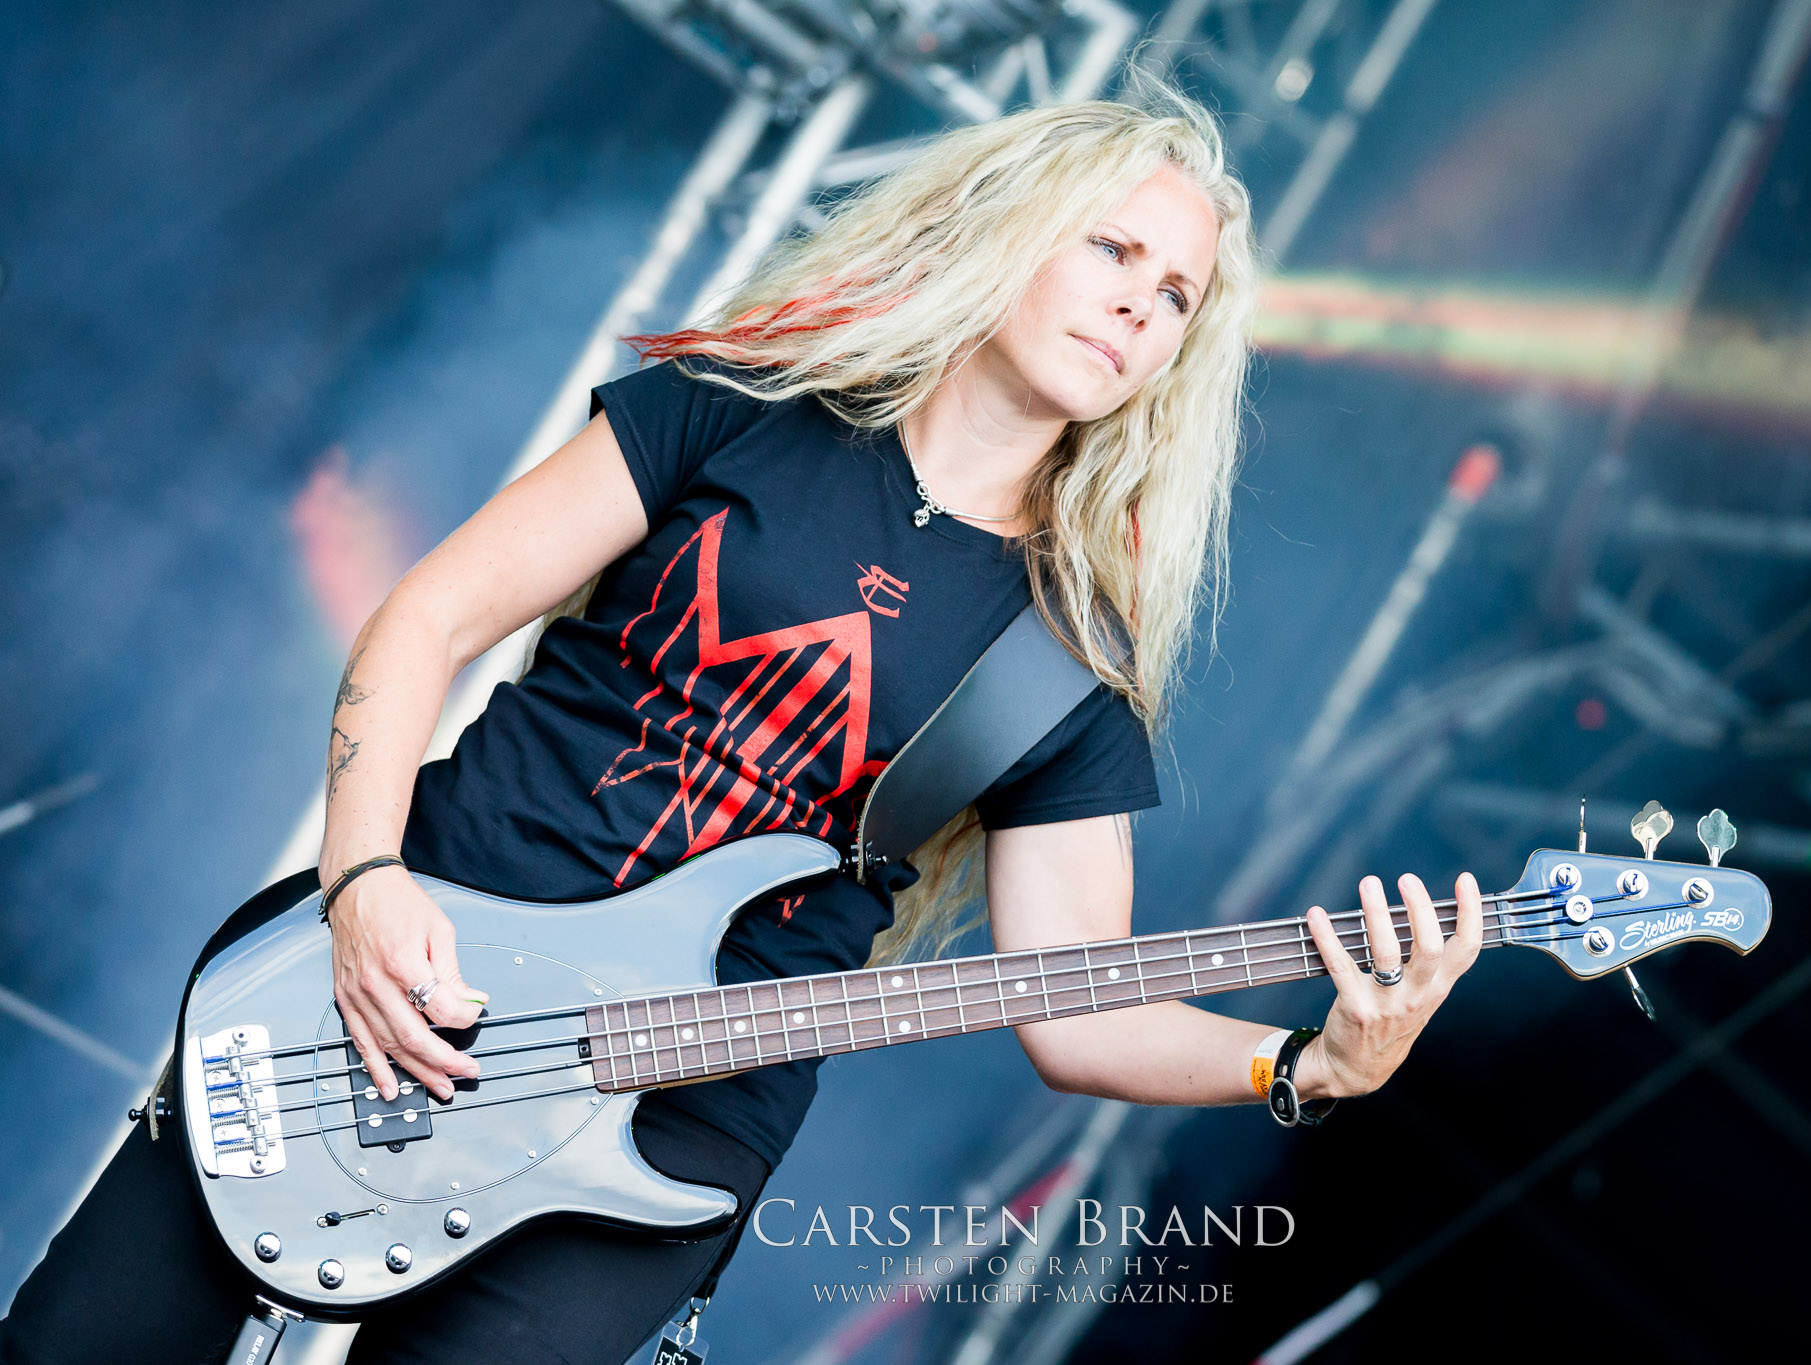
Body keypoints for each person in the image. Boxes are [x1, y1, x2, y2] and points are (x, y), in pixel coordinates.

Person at [0, 74, 1483, 1364]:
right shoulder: (744, 400)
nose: (1139, 305)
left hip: (666, 1115)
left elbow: (1074, 1002)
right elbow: (429, 617)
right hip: (419, 955)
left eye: (1177, 298)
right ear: (1014, 225)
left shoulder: (1067, 657)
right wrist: (365, 884)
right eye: (1115, 249)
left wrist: (1304, 1064)